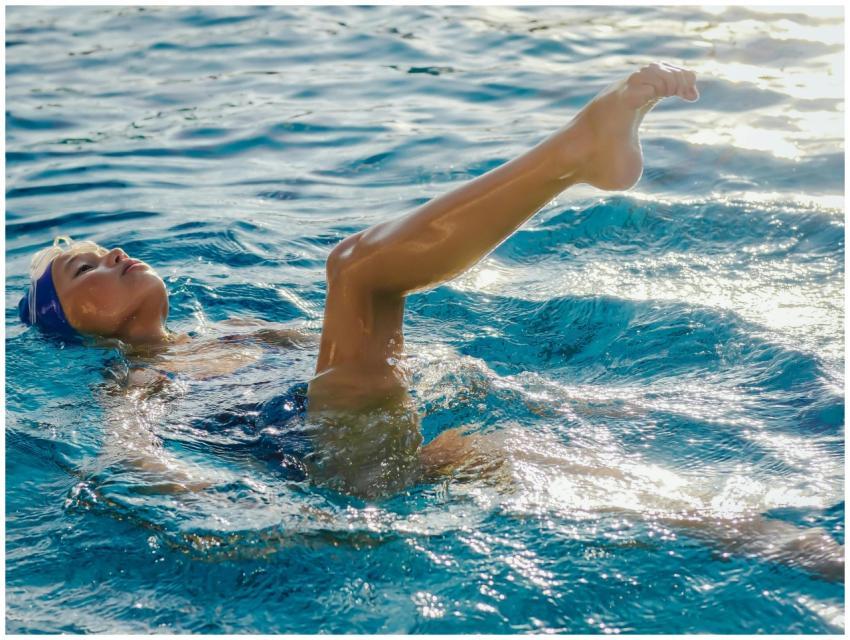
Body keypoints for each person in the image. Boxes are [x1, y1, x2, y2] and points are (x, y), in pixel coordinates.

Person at [16, 63, 843, 577]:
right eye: (84, 266)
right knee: (356, 269)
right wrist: (217, 512)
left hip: (374, 449)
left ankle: (808, 555)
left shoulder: (238, 335)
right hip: (322, 468)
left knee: (576, 476)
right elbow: (138, 459)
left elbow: (384, 359)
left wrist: (553, 400)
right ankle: (575, 153)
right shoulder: (135, 380)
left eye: (107, 247)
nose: (114, 254)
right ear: (73, 325)